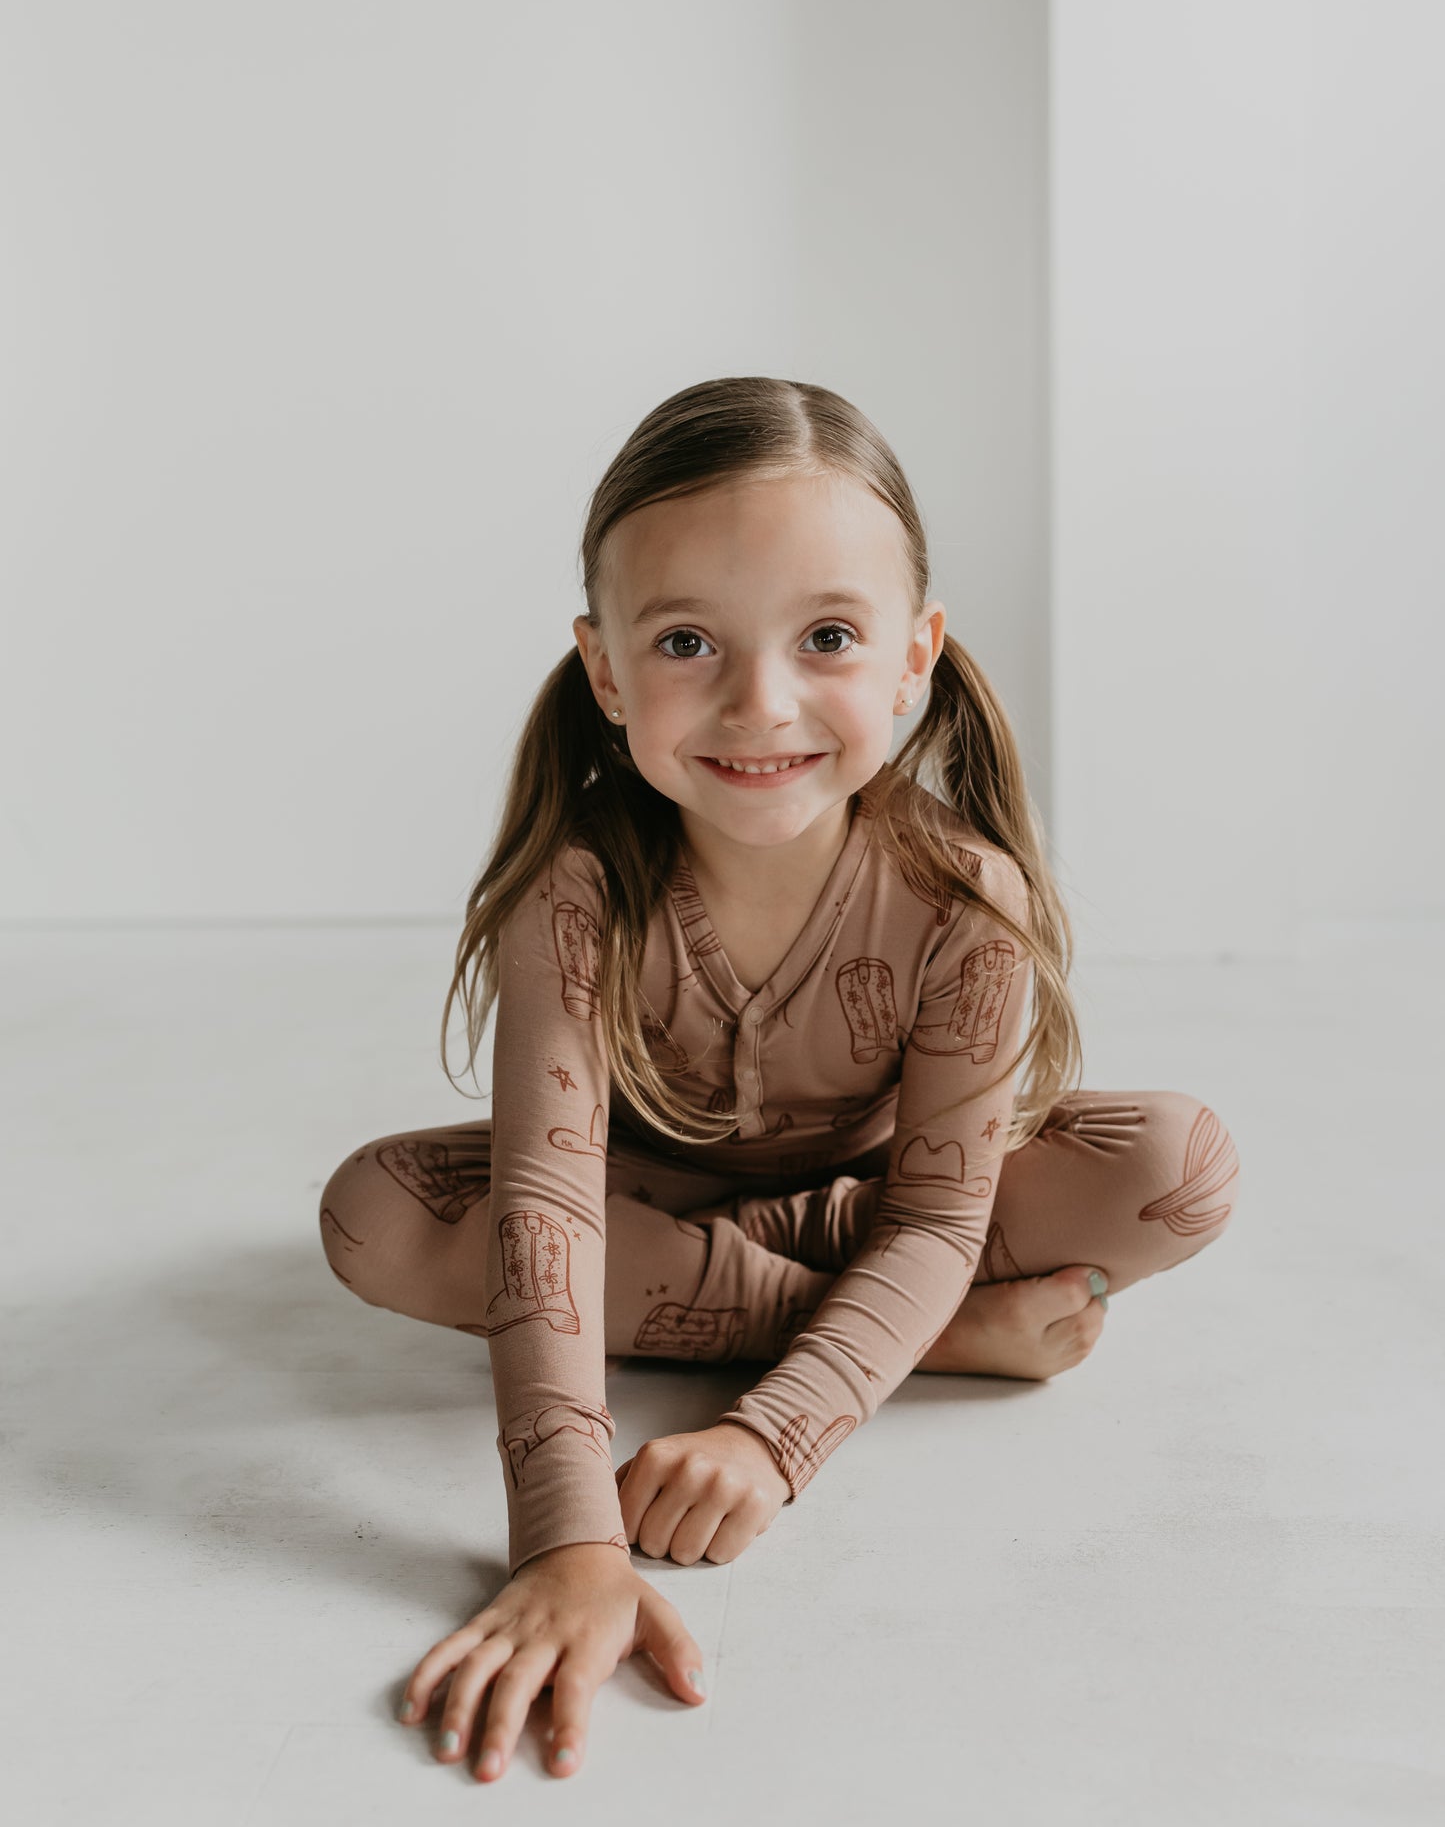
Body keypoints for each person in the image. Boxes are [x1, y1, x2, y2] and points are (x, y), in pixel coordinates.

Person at [318, 376, 1242, 1783]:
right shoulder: (573, 898)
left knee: (1175, 1165)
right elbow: (549, 1215)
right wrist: (569, 1544)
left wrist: (769, 1437)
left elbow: (938, 1218)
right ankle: (934, 1342)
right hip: (640, 1199)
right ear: (606, 670)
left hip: (885, 1209)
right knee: (374, 1216)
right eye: (687, 641)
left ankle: (850, 1321)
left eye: (825, 637)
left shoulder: (961, 901)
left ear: (912, 655)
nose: (761, 704)